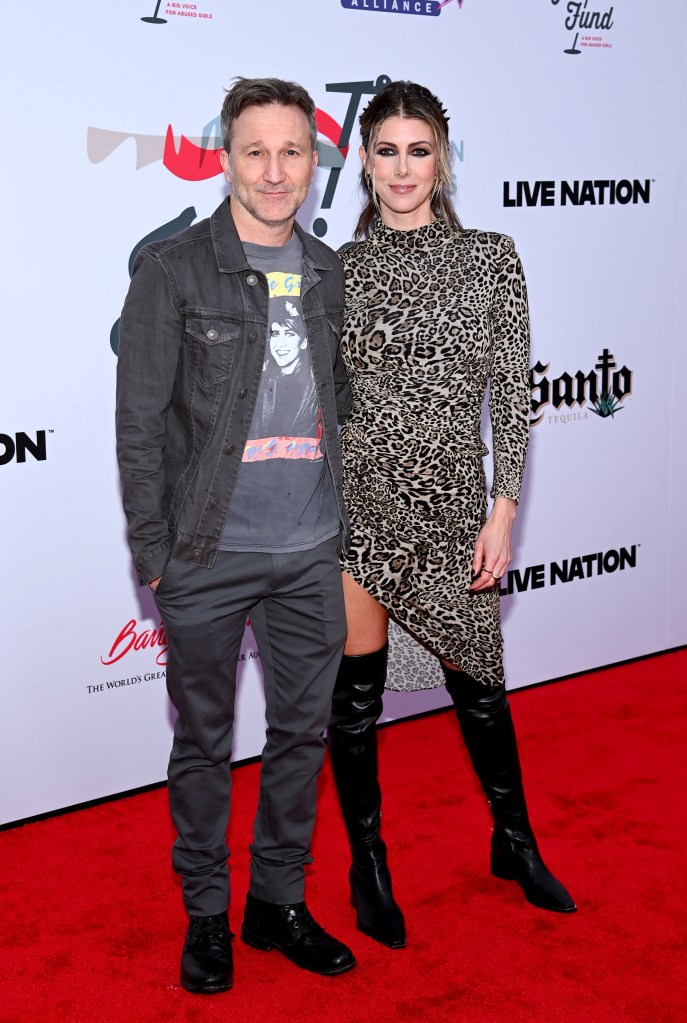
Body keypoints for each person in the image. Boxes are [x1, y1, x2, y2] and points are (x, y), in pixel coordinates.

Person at [116, 77, 356, 994]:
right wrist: (158, 556)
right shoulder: (174, 271)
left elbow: (343, 407)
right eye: (254, 151)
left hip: (310, 549)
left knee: (302, 733)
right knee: (204, 741)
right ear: (225, 160)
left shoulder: (330, 270)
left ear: (312, 161)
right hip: (206, 554)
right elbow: (139, 425)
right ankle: (207, 913)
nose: (273, 169)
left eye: (291, 151)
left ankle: (276, 901)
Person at [327, 80, 576, 951]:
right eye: (386, 151)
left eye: (417, 150)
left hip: (453, 504)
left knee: (480, 687)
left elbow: (510, 393)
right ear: (363, 161)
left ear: (442, 158)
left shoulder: (491, 258)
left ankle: (514, 841)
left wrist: (503, 507)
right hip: (356, 502)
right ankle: (368, 864)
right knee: (352, 700)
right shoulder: (336, 270)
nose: (402, 168)